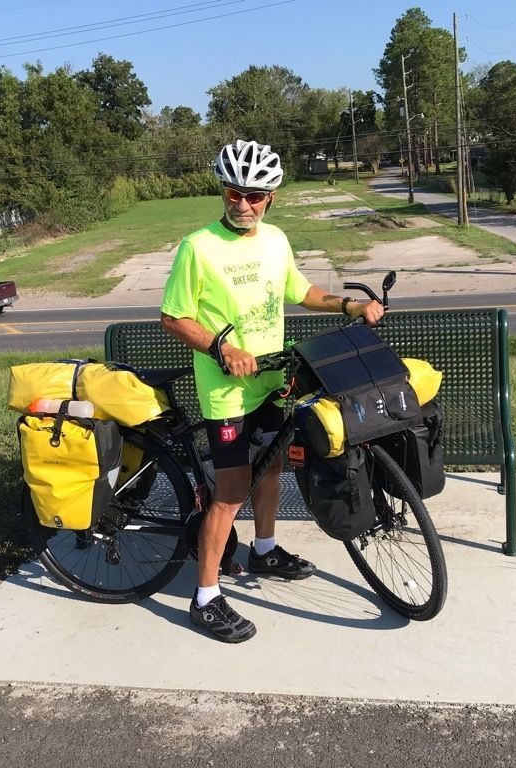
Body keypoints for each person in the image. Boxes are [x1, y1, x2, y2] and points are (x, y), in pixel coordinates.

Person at [161, 139, 383, 643]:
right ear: (223, 191)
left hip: (270, 382)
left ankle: (263, 550)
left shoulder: (276, 240)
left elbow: (300, 291)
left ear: (270, 199)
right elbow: (174, 318)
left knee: (273, 466)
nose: (243, 204)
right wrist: (222, 347)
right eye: (233, 193)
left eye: (254, 196)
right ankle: (205, 598)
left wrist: (349, 305)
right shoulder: (198, 247)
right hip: (227, 392)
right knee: (230, 494)